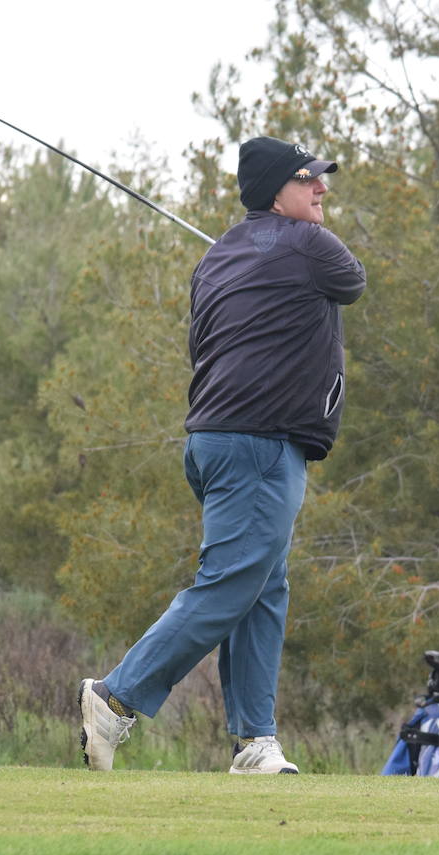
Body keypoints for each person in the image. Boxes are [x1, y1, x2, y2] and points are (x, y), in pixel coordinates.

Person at [79, 136, 367, 774]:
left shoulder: (215, 262)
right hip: (260, 446)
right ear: (274, 191)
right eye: (308, 180)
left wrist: (267, 253)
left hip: (213, 442)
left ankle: (254, 742)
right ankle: (116, 698)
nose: (322, 188)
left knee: (262, 586)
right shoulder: (310, 246)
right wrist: (290, 245)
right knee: (232, 581)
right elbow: (353, 282)